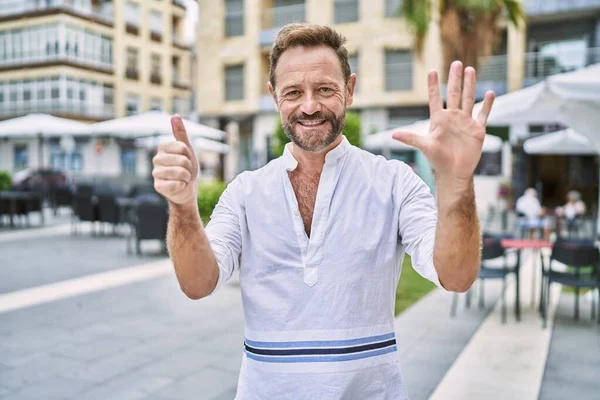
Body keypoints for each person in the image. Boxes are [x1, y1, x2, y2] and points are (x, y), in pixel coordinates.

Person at [152, 24, 495, 400]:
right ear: (273, 96)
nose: (310, 106)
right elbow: (198, 283)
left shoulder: (394, 182)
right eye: (294, 92)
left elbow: (457, 276)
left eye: (325, 89)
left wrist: (457, 183)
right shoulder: (245, 192)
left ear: (349, 89)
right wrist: (183, 207)